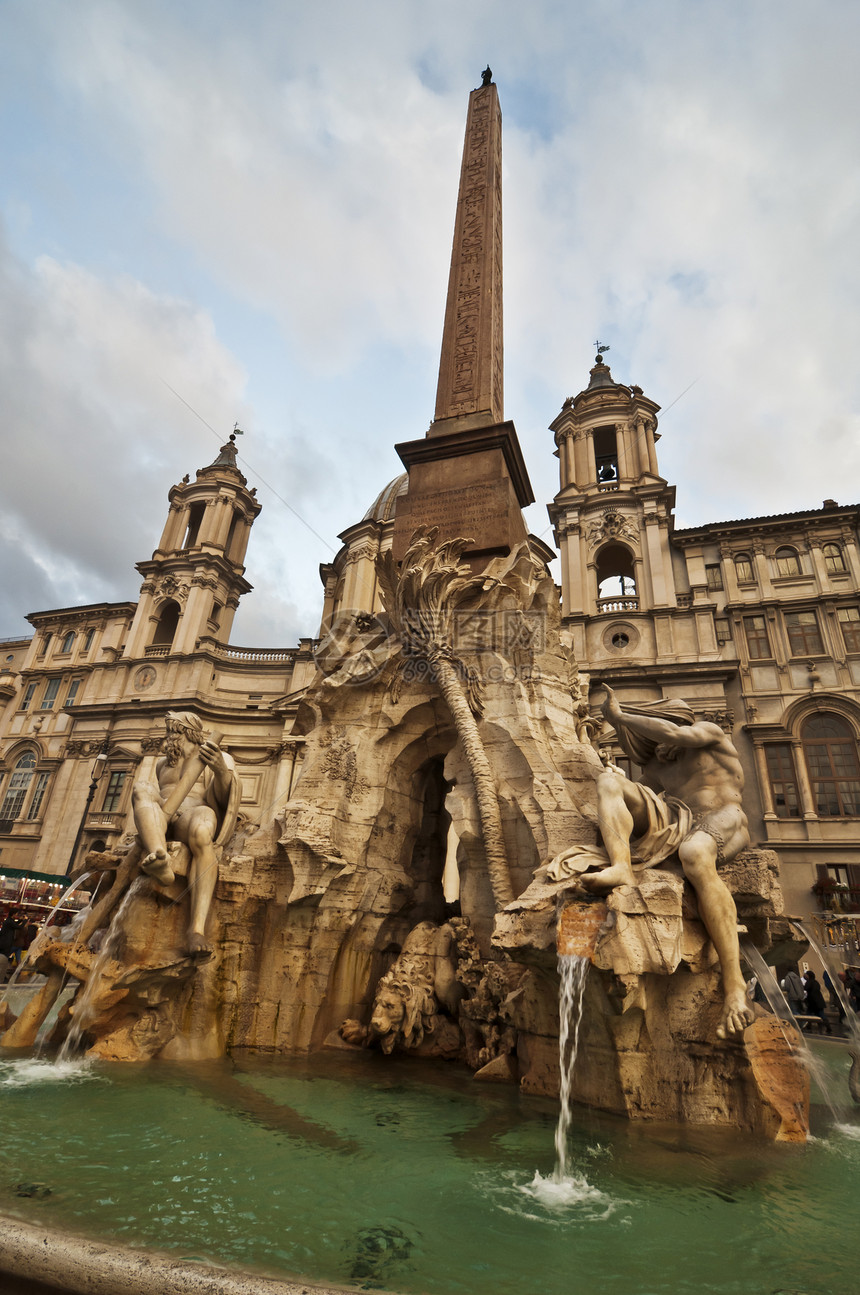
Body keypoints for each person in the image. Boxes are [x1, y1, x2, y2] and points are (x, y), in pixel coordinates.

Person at [549, 687, 753, 1039]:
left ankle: (735, 987)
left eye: (653, 733)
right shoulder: (658, 768)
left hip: (724, 818)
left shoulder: (708, 734)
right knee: (611, 780)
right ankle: (621, 866)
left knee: (694, 854)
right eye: (648, 740)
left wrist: (621, 718)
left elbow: (675, 734)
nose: (655, 747)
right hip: (679, 819)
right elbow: (633, 798)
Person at [131, 711, 239, 957]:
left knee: (203, 833)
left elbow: (225, 800)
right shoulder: (162, 764)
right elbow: (151, 801)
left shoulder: (218, 756)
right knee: (142, 787)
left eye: (175, 733)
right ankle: (159, 857)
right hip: (163, 816)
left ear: (190, 733)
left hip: (195, 812)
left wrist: (221, 771)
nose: (169, 738)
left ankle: (196, 929)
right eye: (169, 732)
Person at [802, 970, 831, 1034]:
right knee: (820, 1015)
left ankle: (809, 1026)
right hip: (818, 1001)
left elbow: (806, 988)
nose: (804, 976)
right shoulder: (816, 982)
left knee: (810, 1015)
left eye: (806, 975)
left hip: (813, 1002)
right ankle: (826, 1027)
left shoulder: (809, 982)